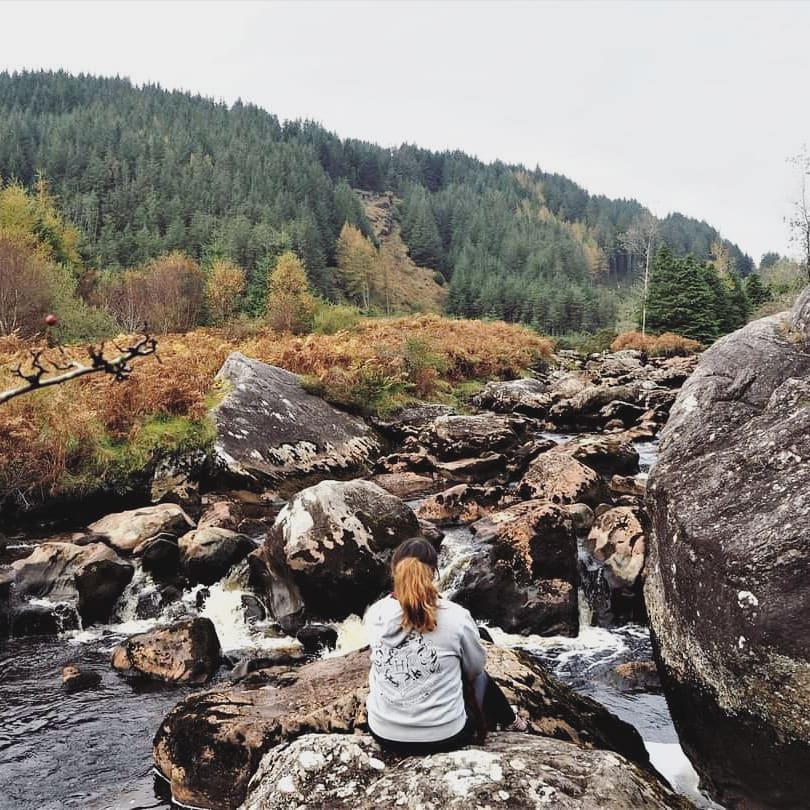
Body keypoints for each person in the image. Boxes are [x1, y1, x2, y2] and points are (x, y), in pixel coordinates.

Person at [364, 537, 528, 755]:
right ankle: (514, 722)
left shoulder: (375, 613)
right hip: (445, 737)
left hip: (384, 734)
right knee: (481, 677)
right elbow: (475, 669)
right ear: (434, 572)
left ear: (395, 571)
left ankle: (512, 720)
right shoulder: (456, 616)